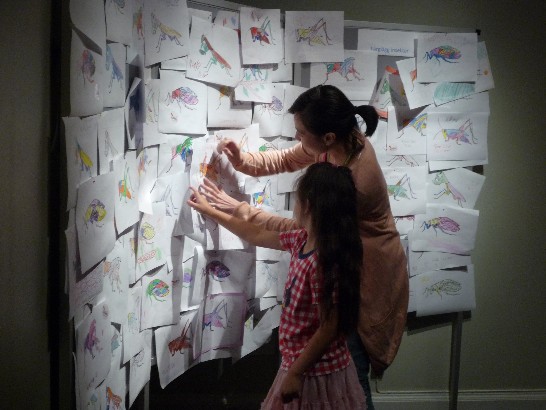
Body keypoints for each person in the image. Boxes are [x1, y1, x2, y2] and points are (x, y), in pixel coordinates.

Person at [199, 84, 409, 409]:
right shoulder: (339, 142)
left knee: (351, 373)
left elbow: (296, 229)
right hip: (343, 260)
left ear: (327, 138)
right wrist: (242, 161)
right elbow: (287, 159)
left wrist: (237, 208)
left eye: (301, 133)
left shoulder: (355, 185)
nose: (297, 138)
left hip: (366, 275)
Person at [188, 162, 366, 409]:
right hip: (298, 364)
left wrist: (296, 372)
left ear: (309, 205)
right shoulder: (301, 239)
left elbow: (329, 327)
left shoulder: (324, 261)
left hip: (315, 374)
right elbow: (255, 234)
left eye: (297, 199)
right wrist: (211, 211)